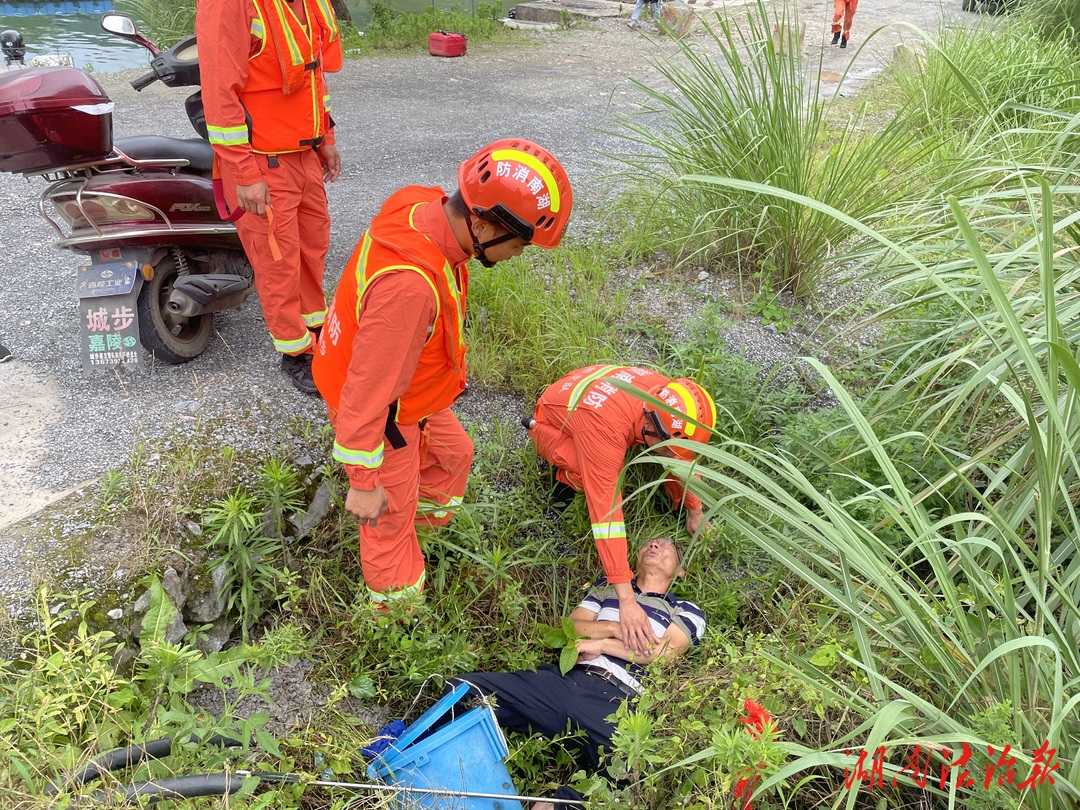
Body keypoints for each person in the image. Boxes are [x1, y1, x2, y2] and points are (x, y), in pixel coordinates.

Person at [312, 139, 574, 607]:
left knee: (454, 457)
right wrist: (364, 482)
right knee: (386, 522)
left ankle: (421, 534)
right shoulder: (409, 289)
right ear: (482, 221)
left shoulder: (419, 203)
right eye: (519, 242)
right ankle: (395, 621)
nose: (518, 253)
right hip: (386, 414)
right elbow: (365, 396)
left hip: (413, 394)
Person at [445, 537, 705, 806]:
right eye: (650, 543)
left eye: (665, 546)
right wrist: (617, 627)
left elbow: (663, 655)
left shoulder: (686, 610)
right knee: (463, 690)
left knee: (637, 783)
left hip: (617, 704)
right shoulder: (608, 588)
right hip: (567, 681)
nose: (654, 546)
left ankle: (556, 806)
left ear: (680, 571)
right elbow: (572, 627)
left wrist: (603, 643)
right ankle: (449, 772)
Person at [196, 0, 343, 394]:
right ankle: (295, 353)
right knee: (277, 261)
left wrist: (326, 137)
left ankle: (317, 331)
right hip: (262, 163)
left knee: (313, 249)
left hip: (304, 153)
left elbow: (314, 78)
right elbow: (219, 92)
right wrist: (244, 173)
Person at [523, 365, 715, 655]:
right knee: (589, 474)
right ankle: (562, 482)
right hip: (555, 417)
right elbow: (606, 515)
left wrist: (695, 510)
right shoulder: (605, 430)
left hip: (589, 391)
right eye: (666, 449)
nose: (670, 456)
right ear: (649, 425)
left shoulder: (666, 396)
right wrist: (626, 601)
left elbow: (679, 459)